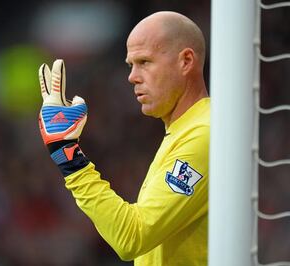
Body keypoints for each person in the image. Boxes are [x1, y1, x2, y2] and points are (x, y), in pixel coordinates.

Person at [38, 11, 209, 266]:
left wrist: (67, 154)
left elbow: (132, 237)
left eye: (145, 62)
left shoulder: (204, 133)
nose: (132, 76)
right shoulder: (184, 130)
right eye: (131, 65)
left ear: (185, 61)